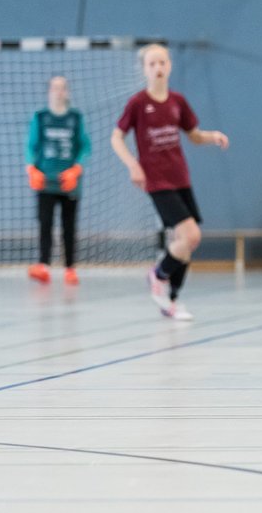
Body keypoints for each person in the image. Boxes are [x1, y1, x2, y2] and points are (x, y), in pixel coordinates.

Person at [111, 44, 229, 321]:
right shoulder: (138, 103)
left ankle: (171, 301)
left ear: (170, 65)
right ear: (144, 70)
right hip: (157, 181)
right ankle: (158, 274)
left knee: (184, 242)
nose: (158, 68)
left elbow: (194, 135)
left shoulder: (178, 102)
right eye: (152, 64)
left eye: (162, 62)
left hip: (180, 178)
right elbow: (116, 137)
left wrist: (213, 136)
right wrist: (133, 165)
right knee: (191, 235)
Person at [26, 75, 90, 286]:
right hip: (46, 179)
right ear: (49, 91)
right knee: (45, 223)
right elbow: (32, 146)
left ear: (67, 92)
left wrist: (77, 168)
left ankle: (70, 268)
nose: (58, 92)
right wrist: (31, 169)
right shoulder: (41, 116)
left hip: (69, 181)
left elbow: (84, 146)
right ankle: (43, 265)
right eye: (54, 88)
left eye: (62, 88)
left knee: (69, 225)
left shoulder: (75, 117)